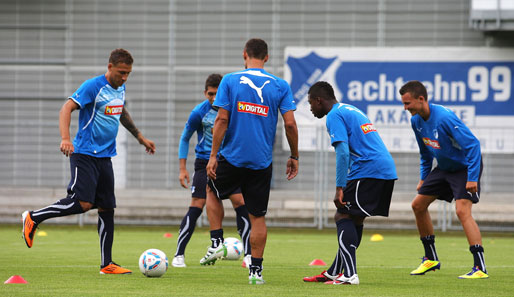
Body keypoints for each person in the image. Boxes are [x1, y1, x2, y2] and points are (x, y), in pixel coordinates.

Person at [21, 48, 155, 274]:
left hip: (105, 156)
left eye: (128, 74)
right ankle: (33, 217)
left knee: (107, 207)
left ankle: (107, 264)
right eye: (121, 72)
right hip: (84, 154)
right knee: (82, 203)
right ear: (110, 66)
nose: (124, 77)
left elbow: (120, 112)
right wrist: (65, 138)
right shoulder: (93, 86)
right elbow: (67, 107)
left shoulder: (119, 87)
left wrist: (140, 137)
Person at [205, 38, 299, 285]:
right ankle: (256, 271)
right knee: (257, 217)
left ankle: (216, 240)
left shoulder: (230, 80)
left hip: (233, 156)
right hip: (261, 162)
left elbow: (221, 120)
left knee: (211, 189)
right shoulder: (280, 85)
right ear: (266, 57)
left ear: (244, 54)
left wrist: (213, 155)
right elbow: (290, 123)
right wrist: (294, 156)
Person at [302, 81, 397, 285]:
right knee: (355, 218)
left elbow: (343, 152)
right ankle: (335, 271)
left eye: (310, 103)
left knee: (342, 213)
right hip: (384, 169)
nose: (310, 108)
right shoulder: (350, 109)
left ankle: (350, 274)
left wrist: (340, 187)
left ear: (319, 100)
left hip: (368, 170)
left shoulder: (334, 115)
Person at [399, 80, 488, 279]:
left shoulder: (444, 118)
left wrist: (472, 177)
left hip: (465, 168)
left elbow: (473, 145)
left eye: (408, 103)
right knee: (418, 205)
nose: (405, 108)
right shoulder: (416, 121)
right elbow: (425, 153)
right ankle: (430, 259)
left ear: (421, 99)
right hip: (444, 168)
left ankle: (480, 267)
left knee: (462, 211)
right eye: (404, 104)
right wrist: (424, 178)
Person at [173, 73, 252, 268]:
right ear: (205, 92)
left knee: (240, 201)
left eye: (217, 94)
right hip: (203, 162)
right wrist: (182, 168)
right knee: (197, 204)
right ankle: (179, 254)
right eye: (210, 94)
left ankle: (249, 253)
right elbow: (185, 138)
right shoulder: (199, 112)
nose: (213, 98)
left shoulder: (231, 110)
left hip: (227, 161)